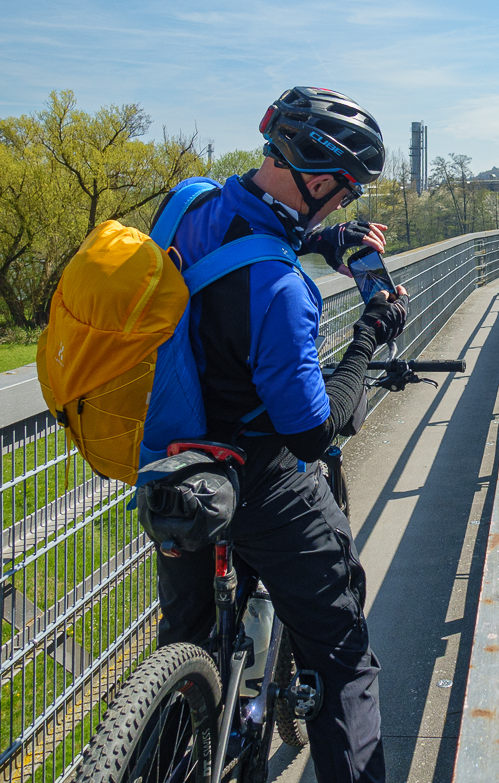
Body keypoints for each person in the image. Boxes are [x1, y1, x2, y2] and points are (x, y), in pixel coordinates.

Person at [156, 86, 404, 783]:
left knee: (187, 649)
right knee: (342, 654)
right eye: (344, 195)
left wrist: (322, 238)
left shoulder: (189, 204)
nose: (345, 205)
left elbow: (231, 247)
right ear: (318, 178)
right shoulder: (280, 288)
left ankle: (165, 747)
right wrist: (370, 334)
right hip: (258, 483)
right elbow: (314, 430)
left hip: (174, 465)